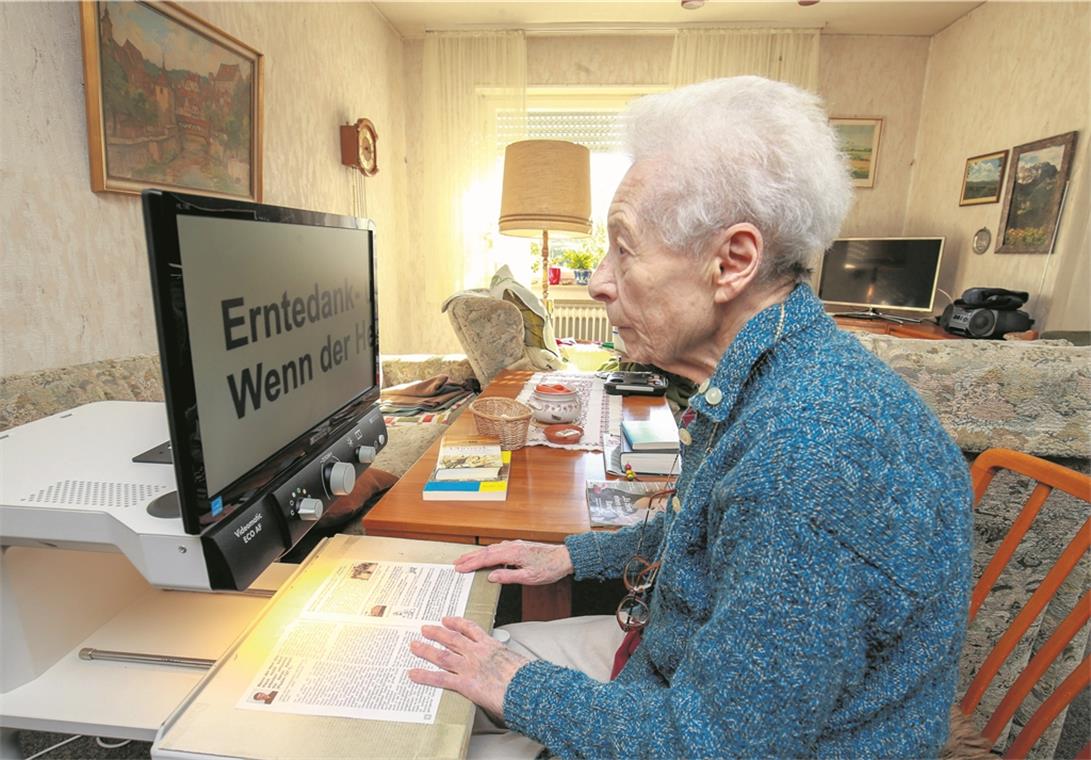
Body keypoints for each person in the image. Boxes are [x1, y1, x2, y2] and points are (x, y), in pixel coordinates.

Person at [407, 76, 972, 758]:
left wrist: (514, 687)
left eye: (624, 246)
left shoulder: (810, 456)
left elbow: (712, 745)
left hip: (706, 727)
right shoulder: (778, 375)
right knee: (449, 666)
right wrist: (569, 555)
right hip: (673, 666)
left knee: (429, 732)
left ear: (732, 261)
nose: (597, 281)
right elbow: (700, 533)